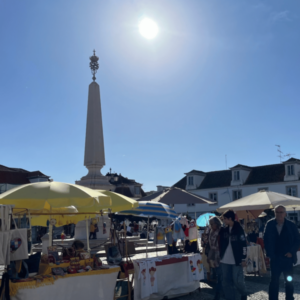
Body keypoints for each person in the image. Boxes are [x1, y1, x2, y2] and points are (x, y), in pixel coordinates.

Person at [264, 205, 300, 300]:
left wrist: (291, 252)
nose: (279, 214)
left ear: (285, 214)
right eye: (277, 212)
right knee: (274, 282)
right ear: (274, 213)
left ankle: (289, 298)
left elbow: (297, 240)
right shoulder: (270, 224)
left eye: (281, 212)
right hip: (275, 258)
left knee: (289, 281)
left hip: (287, 258)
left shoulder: (291, 225)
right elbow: (266, 239)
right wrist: (270, 254)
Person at [220, 210, 247, 300]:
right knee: (225, 281)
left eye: (225, 219)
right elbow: (221, 243)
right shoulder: (224, 230)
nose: (224, 220)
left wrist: (243, 258)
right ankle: (229, 298)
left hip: (236, 259)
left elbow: (243, 244)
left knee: (237, 281)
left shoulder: (239, 229)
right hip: (224, 260)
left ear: (230, 219)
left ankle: (243, 293)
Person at [208, 217, 223, 300]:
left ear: (216, 223)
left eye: (212, 224)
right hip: (215, 256)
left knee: (220, 276)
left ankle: (218, 294)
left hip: (221, 255)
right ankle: (219, 292)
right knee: (219, 275)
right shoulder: (211, 232)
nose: (211, 226)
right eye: (210, 224)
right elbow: (211, 245)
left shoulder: (221, 231)